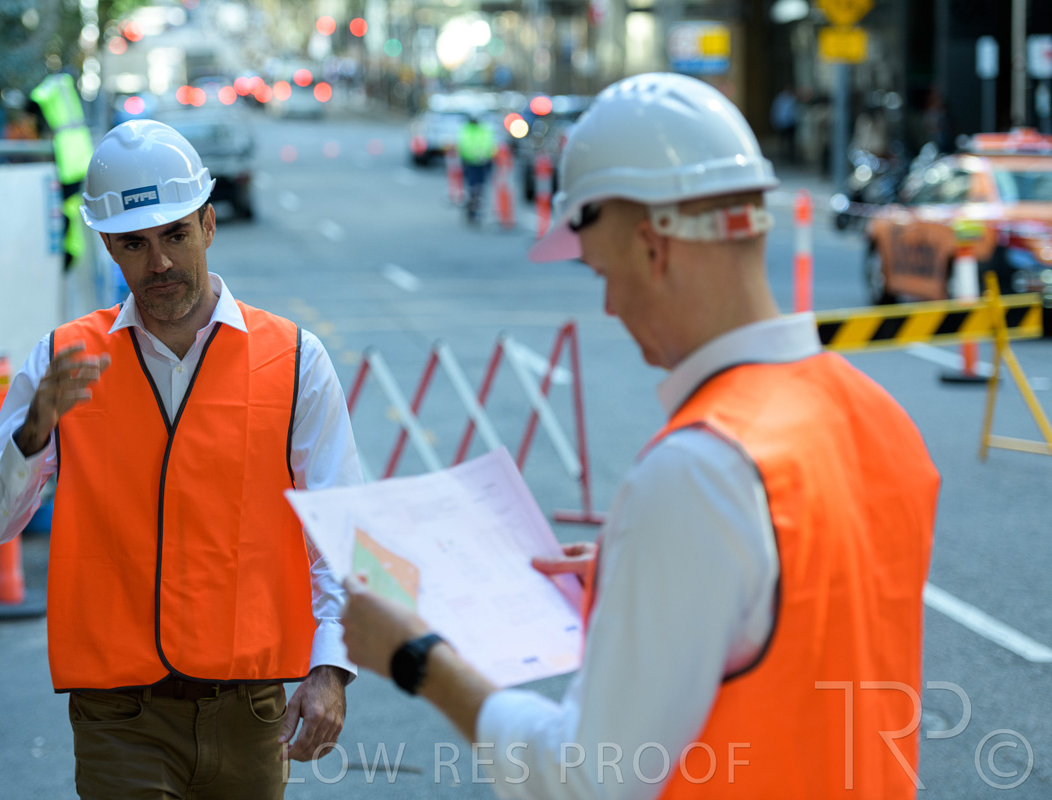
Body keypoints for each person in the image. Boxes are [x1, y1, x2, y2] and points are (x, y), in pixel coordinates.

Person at [341, 73, 939, 798]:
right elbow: (812, 611)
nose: (609, 305)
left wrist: (418, 658)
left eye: (603, 272)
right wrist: (644, 576)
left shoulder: (700, 471)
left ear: (654, 249)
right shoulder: (878, 416)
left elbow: (586, 778)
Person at [0, 119, 360, 799]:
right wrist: (32, 434)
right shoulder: (64, 360)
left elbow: (342, 530)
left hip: (250, 709)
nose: (159, 264)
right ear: (108, 246)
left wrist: (332, 668)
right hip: (119, 714)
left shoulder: (294, 359)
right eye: (134, 243)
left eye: (175, 235)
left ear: (208, 225)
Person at [457, 113, 496, 224]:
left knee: (477, 186)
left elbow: (490, 144)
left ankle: (475, 205)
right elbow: (463, 145)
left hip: (479, 161)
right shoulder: (469, 129)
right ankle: (473, 205)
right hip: (474, 161)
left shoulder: (482, 129)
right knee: (475, 185)